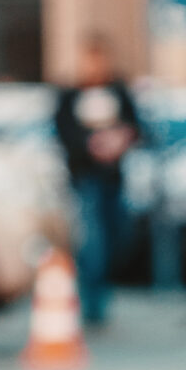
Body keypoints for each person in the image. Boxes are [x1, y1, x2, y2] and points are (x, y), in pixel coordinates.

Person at [53, 36, 140, 327]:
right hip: (84, 177)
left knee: (117, 235)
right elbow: (63, 134)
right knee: (93, 241)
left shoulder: (118, 90)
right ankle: (92, 302)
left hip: (114, 177)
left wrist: (120, 140)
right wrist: (92, 146)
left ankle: (101, 294)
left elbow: (136, 126)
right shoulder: (68, 95)